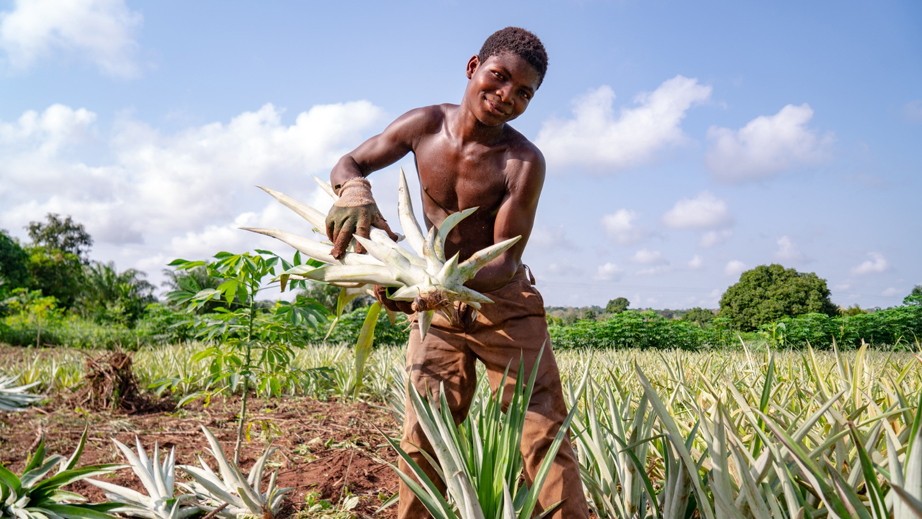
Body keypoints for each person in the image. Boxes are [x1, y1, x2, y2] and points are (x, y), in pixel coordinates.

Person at [325, 27, 589, 519]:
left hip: (503, 304)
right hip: (436, 311)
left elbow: (505, 257)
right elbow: (351, 161)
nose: (506, 96)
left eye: (524, 93)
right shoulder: (424, 125)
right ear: (473, 68)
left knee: (541, 431)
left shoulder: (523, 161)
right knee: (424, 433)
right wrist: (355, 192)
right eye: (499, 78)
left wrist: (441, 288)